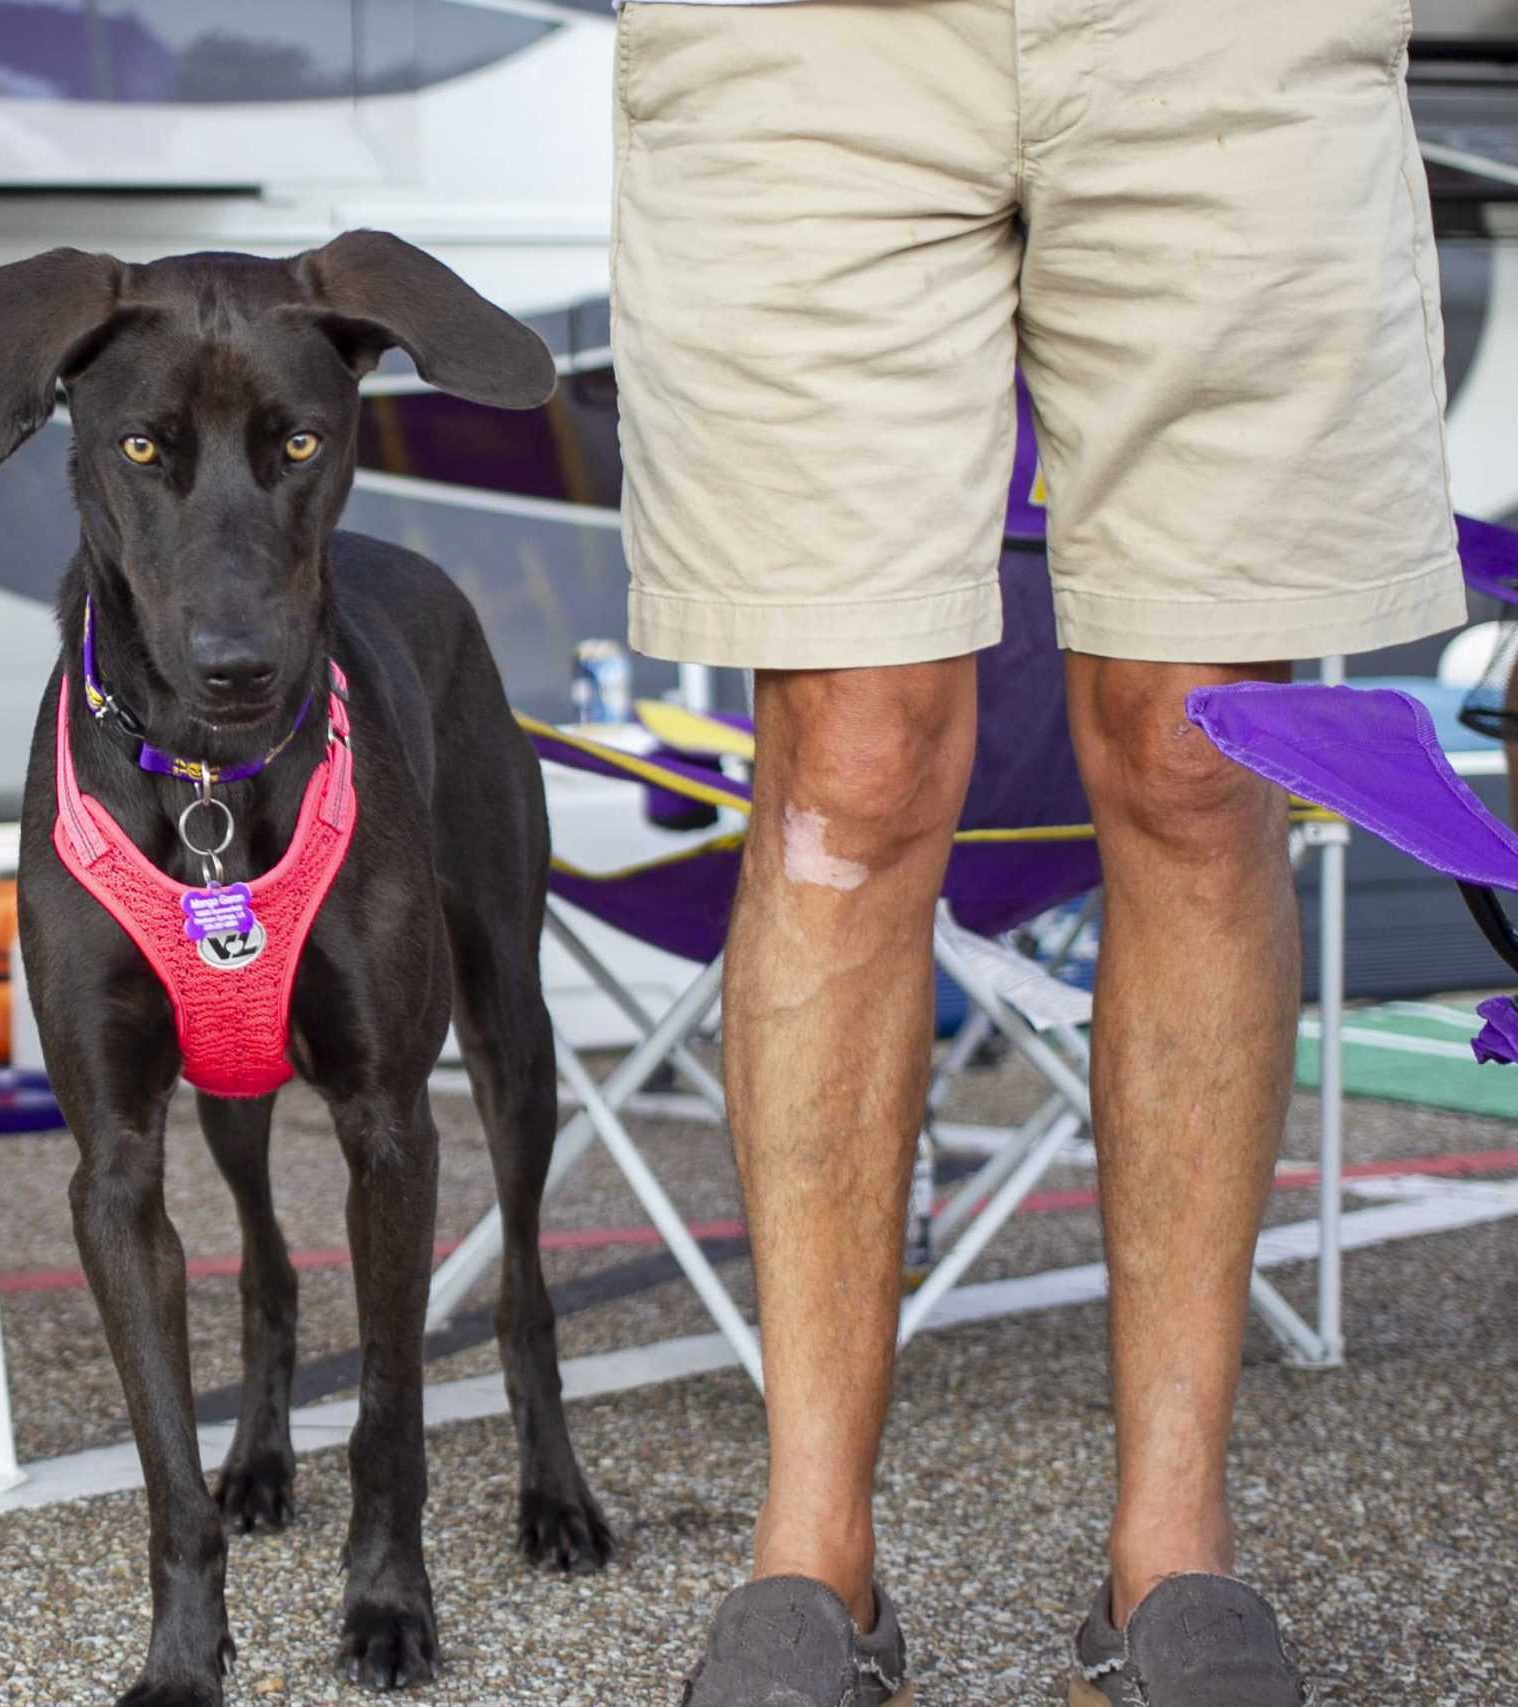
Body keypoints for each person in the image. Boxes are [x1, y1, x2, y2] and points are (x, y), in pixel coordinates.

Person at [607, 2, 1461, 1703]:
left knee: (1200, 754)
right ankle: (809, 1559)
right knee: (846, 769)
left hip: (1223, 39)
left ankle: (1176, 1549)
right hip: (806, 46)